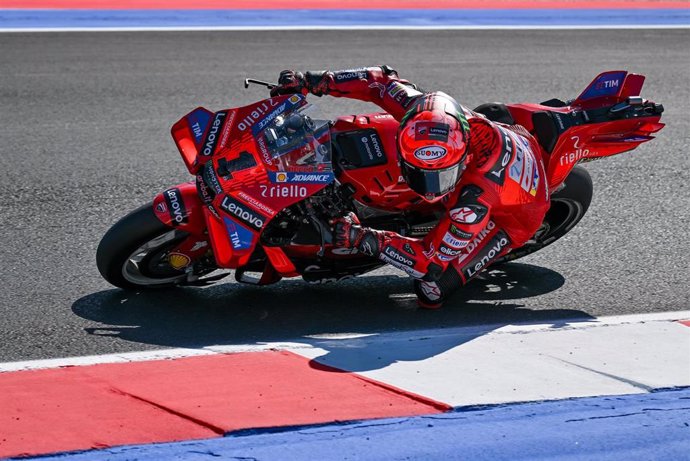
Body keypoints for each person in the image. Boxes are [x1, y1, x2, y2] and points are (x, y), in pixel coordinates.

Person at [270, 66, 550, 308]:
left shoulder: (473, 201)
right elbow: (377, 80)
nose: (429, 188)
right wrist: (311, 80)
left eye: (439, 175)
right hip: (505, 136)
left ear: (461, 156)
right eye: (422, 173)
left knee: (431, 290)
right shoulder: (425, 110)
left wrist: (361, 237)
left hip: (514, 215)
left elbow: (429, 263)